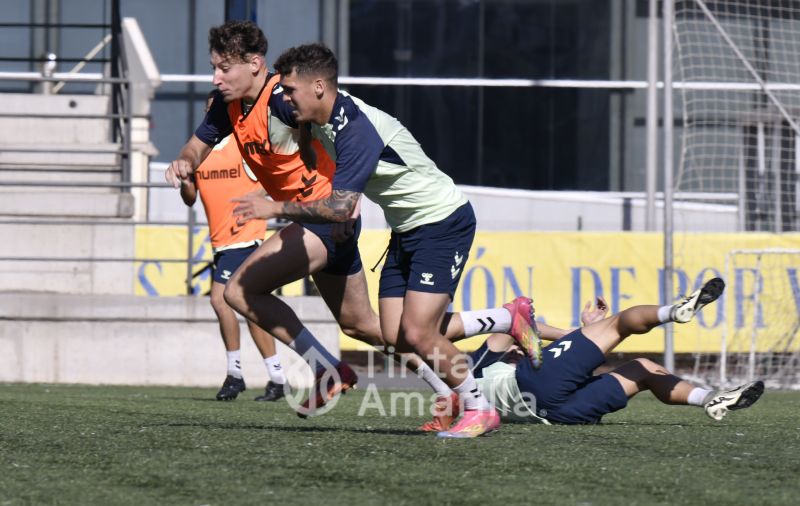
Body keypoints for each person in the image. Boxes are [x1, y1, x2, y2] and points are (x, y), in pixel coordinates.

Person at [165, 22, 532, 418]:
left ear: (255, 65)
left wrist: (286, 204)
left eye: (224, 68)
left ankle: (332, 372)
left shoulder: (289, 101)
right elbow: (199, 144)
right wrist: (186, 161)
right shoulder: (236, 103)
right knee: (371, 328)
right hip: (340, 216)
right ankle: (492, 331)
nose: (216, 78)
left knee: (239, 291)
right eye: (214, 67)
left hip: (330, 214)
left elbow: (322, 134)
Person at [427, 278, 765, 430]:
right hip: (535, 385)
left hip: (560, 415)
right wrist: (580, 331)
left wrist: (581, 333)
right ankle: (673, 312)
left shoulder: (470, 384)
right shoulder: (473, 366)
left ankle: (712, 400)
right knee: (617, 324)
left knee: (644, 369)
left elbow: (521, 332)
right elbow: (511, 325)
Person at [176, 90, 285, 402]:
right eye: (212, 109)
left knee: (221, 300)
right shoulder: (199, 151)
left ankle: (235, 374)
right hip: (221, 242)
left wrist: (258, 200)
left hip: (246, 237)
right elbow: (190, 198)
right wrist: (185, 181)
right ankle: (276, 377)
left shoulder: (243, 145)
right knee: (250, 309)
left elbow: (274, 178)